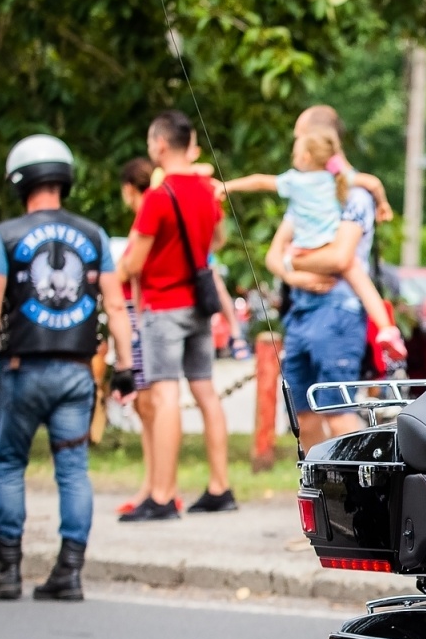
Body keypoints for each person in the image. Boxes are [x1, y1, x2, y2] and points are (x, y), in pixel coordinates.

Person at [0, 134, 136, 601]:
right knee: (73, 470)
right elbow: (115, 303)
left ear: (19, 181)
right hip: (76, 373)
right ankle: (68, 573)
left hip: (22, 370)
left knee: (9, 464)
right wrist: (127, 367)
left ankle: (8, 571)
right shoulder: (93, 236)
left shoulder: (3, 236)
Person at [115, 110, 235, 520]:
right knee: (205, 391)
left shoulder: (158, 196)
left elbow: (134, 264)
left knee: (166, 395)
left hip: (163, 306)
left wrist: (119, 267)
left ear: (161, 145)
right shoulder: (205, 189)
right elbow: (216, 238)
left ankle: (163, 496)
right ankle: (220, 486)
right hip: (199, 305)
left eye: (151, 143)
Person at [262, 106, 402, 452]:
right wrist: (294, 275)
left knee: (338, 411)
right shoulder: (309, 194)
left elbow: (342, 258)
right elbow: (272, 256)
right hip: (301, 313)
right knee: (304, 415)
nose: (295, 146)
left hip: (338, 313)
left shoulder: (353, 194)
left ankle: (362, 491)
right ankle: (323, 491)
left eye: (298, 137)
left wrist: (294, 258)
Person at [219, 126, 392, 321]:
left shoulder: (295, 181)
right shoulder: (338, 180)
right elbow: (374, 183)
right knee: (358, 277)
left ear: (306, 157)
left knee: (302, 267)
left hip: (302, 250)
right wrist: (382, 204)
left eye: (294, 154)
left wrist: (228, 186)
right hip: (328, 248)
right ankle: (386, 327)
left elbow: (259, 181)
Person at [114, 156, 174, 517]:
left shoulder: (147, 214)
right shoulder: (154, 212)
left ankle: (159, 486)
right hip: (143, 312)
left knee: (149, 403)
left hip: (141, 314)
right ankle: (151, 484)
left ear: (128, 189)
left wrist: (113, 273)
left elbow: (130, 268)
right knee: (143, 404)